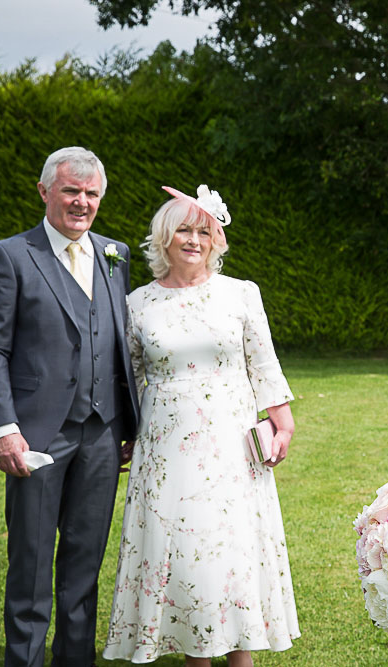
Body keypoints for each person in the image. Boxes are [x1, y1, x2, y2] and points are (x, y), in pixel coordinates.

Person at [103, 185, 300, 666]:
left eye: (203, 230)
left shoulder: (241, 295)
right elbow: (128, 376)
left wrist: (283, 423)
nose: (194, 239)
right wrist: (125, 437)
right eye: (183, 231)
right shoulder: (137, 304)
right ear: (163, 240)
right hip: (166, 448)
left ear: (217, 239)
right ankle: (195, 654)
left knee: (230, 549)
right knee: (185, 550)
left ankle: (240, 655)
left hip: (232, 444)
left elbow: (264, 364)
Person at [0, 146, 140, 666]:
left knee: (84, 564)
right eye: (71, 190)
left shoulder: (115, 255)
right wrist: (4, 428)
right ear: (45, 191)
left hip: (101, 433)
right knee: (29, 562)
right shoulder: (11, 255)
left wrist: (129, 423)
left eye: (92, 193)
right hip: (37, 434)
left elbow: (116, 341)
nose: (82, 202)